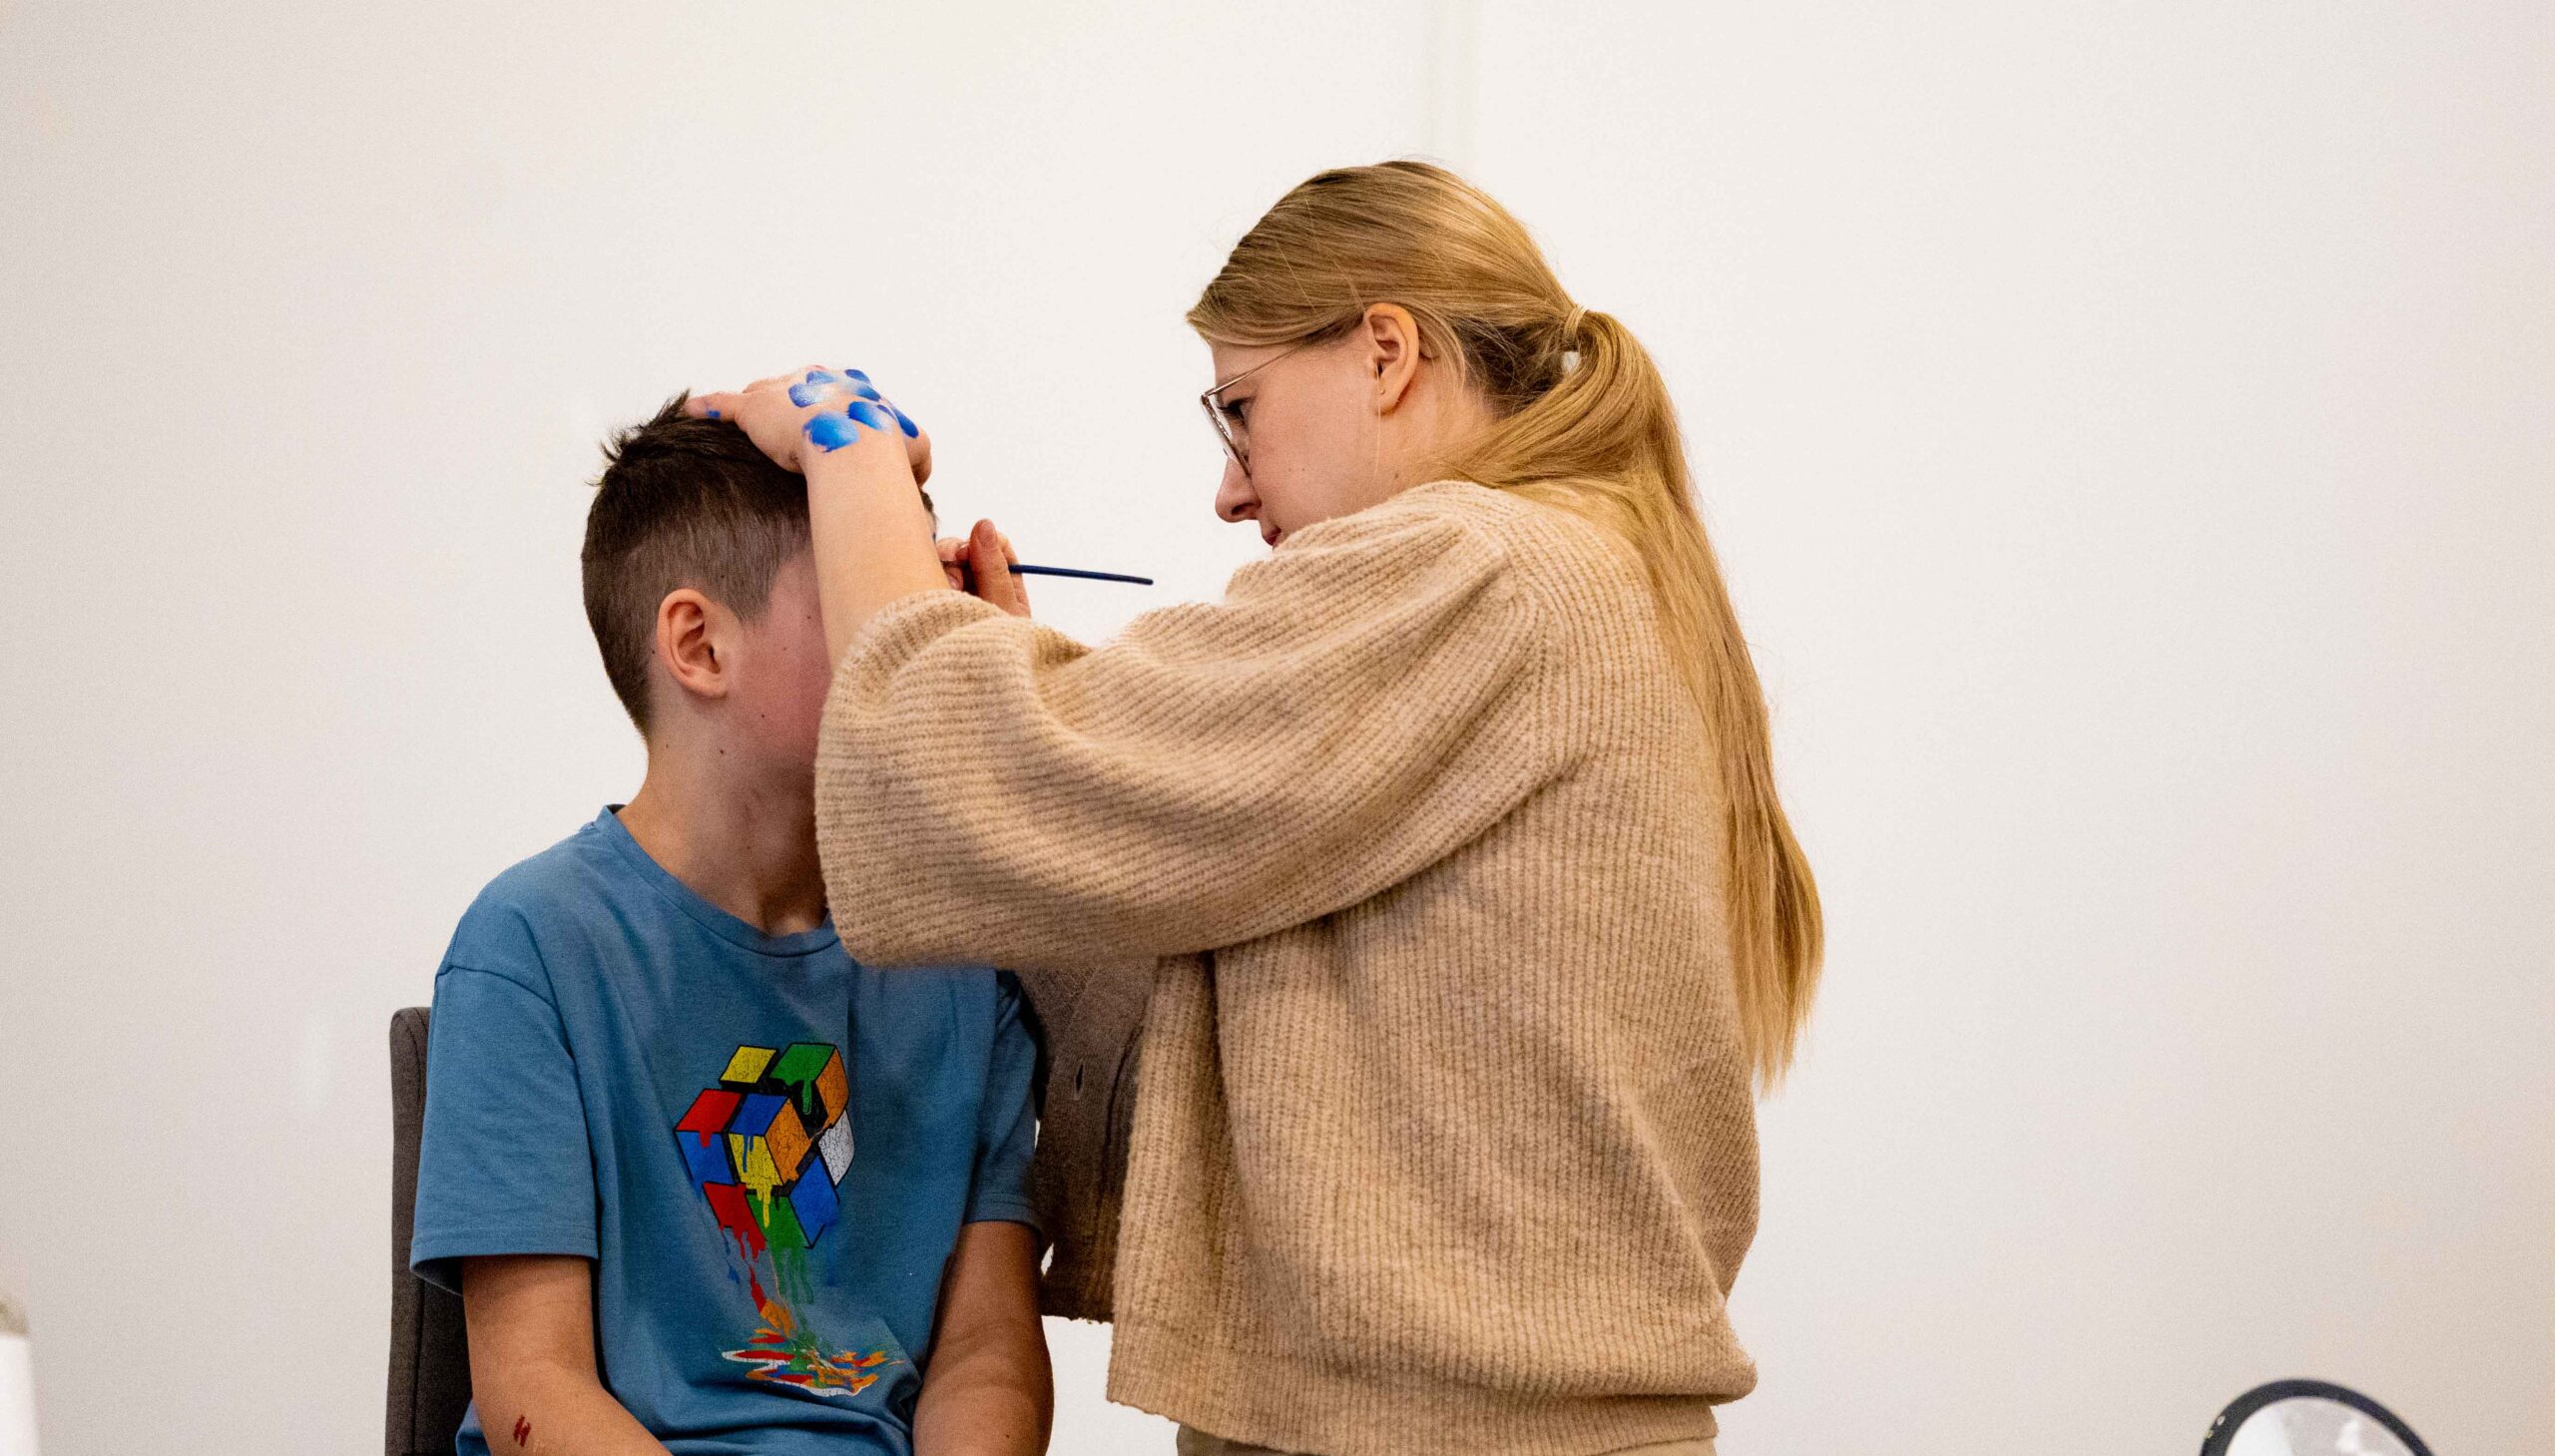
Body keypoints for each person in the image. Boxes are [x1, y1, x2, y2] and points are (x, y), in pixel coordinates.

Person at [693, 159, 1823, 1456]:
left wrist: (849, 451)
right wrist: (1027, 760)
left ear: (1386, 352)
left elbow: (934, 763)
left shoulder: (1481, 566)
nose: (1230, 490)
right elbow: (1183, 974)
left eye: (1241, 411)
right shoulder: (1565, 577)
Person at [407, 399, 1051, 1456]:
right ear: (700, 644)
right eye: (862, 588)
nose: (916, 633)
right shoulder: (531, 947)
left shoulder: (966, 969)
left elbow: (987, 1355)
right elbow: (535, 1385)